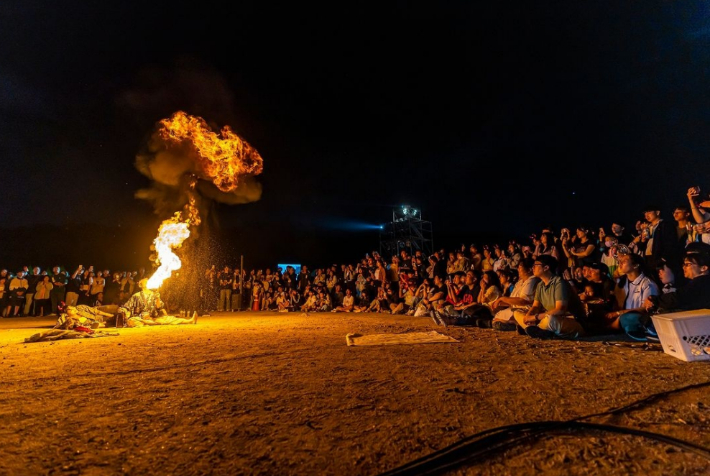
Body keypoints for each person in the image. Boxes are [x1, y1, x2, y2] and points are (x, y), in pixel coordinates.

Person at [513, 255, 585, 339]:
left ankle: (532, 329)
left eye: (536, 265)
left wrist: (534, 317)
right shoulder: (540, 285)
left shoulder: (559, 283)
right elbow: (535, 306)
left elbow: (560, 310)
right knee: (517, 313)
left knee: (550, 320)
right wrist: (528, 316)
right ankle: (538, 330)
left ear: (546, 267)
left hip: (569, 320)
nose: (533, 268)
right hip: (548, 319)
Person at [604, 254, 659, 340]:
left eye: (624, 261)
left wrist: (619, 313)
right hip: (621, 318)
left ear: (635, 265)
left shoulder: (647, 284)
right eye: (620, 261)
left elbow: (645, 308)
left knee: (627, 318)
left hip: (637, 320)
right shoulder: (621, 282)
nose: (620, 263)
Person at [118, 278, 196, 327]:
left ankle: (190, 321)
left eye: (147, 281)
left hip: (153, 318)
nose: (147, 281)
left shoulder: (154, 295)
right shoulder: (136, 295)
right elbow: (127, 306)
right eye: (144, 281)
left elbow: (159, 307)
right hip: (139, 318)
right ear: (140, 285)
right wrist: (122, 310)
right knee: (133, 321)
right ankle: (149, 323)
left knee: (170, 319)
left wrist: (158, 298)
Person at [491, 259, 540, 331]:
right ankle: (515, 324)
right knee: (497, 317)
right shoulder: (520, 282)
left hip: (525, 311)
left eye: (520, 267)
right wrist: (499, 303)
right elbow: (513, 301)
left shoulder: (532, 280)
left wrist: (502, 299)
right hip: (516, 310)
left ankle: (518, 325)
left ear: (529, 269)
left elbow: (523, 301)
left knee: (504, 318)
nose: (518, 269)